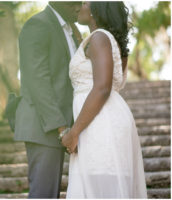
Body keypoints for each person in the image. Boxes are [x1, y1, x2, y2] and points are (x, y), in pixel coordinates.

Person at [61, 1, 148, 198]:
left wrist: (74, 132)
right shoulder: (104, 39)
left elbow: (102, 88)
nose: (79, 5)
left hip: (99, 123)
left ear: (96, 9)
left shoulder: (100, 38)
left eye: (84, 2)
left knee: (100, 187)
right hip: (100, 119)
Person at [14, 1, 82, 198]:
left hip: (63, 126)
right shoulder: (38, 24)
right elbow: (38, 82)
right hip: (44, 126)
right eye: (74, 2)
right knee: (43, 194)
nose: (78, 6)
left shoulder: (71, 30)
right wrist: (62, 130)